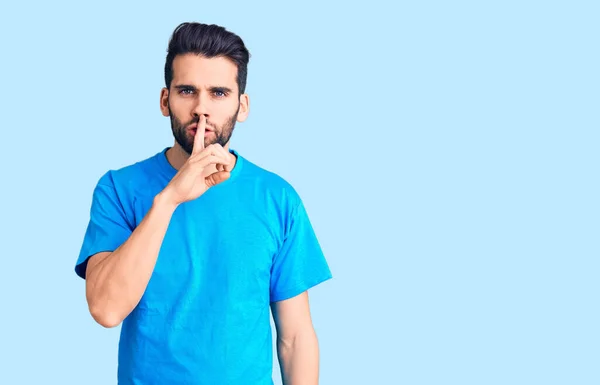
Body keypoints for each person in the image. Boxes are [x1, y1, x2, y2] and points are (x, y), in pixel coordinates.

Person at [74, 22, 332, 384]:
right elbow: (106, 308)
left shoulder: (277, 198)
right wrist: (169, 199)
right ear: (166, 101)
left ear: (242, 106)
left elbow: (295, 338)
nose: (201, 109)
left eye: (219, 93)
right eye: (187, 91)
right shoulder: (118, 189)